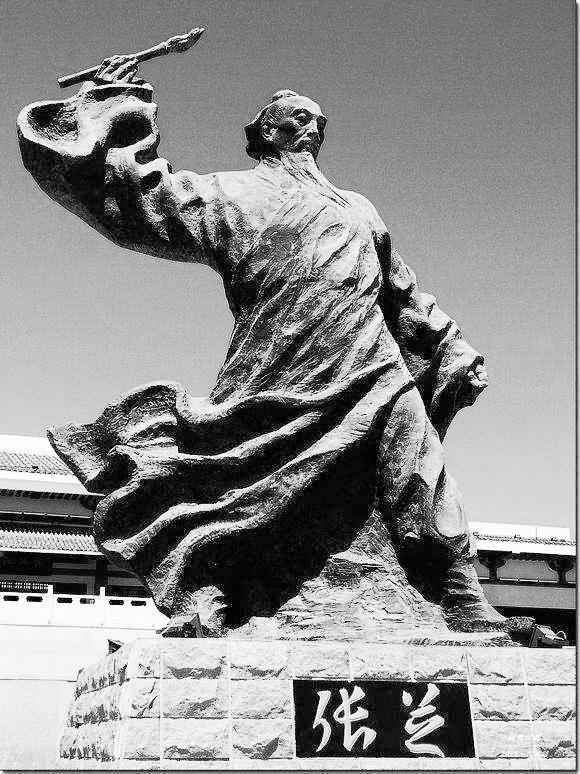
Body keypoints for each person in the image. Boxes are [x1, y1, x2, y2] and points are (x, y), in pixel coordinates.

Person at [18, 55, 507, 636]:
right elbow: (143, 197)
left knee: (419, 469)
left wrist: (451, 344)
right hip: (277, 370)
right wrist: (117, 107)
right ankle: (217, 589)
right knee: (247, 490)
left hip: (373, 362)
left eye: (316, 120)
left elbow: (403, 291)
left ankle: (459, 592)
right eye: (295, 118)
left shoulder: (358, 208)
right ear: (264, 134)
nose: (309, 127)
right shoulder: (229, 195)